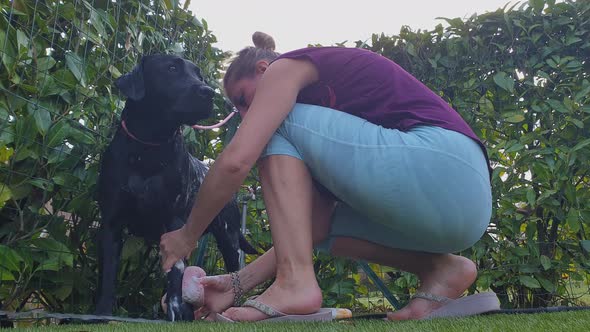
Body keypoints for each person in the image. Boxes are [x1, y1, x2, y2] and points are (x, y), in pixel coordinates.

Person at [159, 31, 497, 322]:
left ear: (265, 68)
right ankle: (441, 270)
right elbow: (313, 226)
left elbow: (236, 162)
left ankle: (295, 283)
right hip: (461, 201)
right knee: (312, 225)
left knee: (273, 127)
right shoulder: (320, 139)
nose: (246, 114)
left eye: (243, 99)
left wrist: (187, 235)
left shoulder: (285, 68)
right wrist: (238, 283)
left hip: (443, 159)